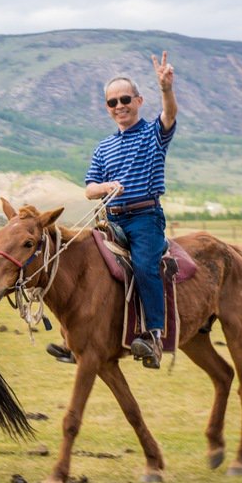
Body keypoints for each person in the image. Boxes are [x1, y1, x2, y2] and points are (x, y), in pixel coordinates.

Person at [84, 51, 177, 369]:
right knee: (83, 264)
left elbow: (169, 115)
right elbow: (89, 188)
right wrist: (106, 188)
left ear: (138, 100)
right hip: (111, 219)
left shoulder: (154, 134)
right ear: (107, 109)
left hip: (144, 219)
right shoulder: (103, 147)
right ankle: (85, 336)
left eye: (125, 99)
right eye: (112, 102)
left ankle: (153, 336)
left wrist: (165, 88)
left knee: (144, 266)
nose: (119, 105)